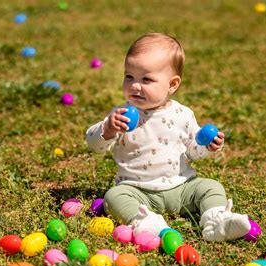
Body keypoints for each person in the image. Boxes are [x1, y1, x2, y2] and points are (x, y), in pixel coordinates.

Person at [85, 33, 250, 242]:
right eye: (129, 77)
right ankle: (147, 224)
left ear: (172, 85)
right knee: (114, 197)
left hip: (182, 187)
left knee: (211, 187)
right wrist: (108, 129)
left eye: (146, 79)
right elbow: (94, 144)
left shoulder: (182, 114)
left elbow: (192, 150)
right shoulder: (121, 116)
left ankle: (215, 221)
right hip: (137, 190)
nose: (135, 85)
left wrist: (207, 146)